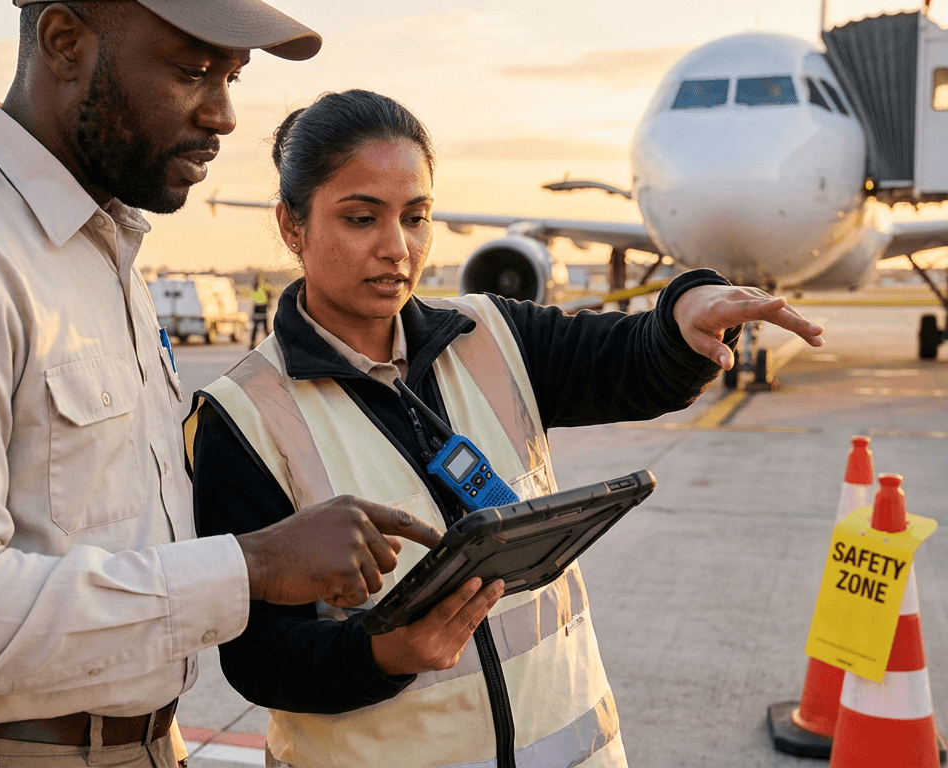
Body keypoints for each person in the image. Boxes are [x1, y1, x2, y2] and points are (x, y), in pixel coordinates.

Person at [0, 7, 445, 768]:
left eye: (232, 76)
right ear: (66, 44)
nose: (224, 114)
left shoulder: (100, 253)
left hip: (138, 744)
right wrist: (251, 565)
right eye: (191, 69)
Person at [185, 90, 826, 768]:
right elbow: (259, 658)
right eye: (360, 217)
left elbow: (630, 361)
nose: (396, 248)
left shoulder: (491, 333)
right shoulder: (242, 415)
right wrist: (381, 655)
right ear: (292, 225)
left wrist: (685, 312)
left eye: (416, 216)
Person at [249, 274, 271, 347]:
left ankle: (253, 343)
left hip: (259, 308)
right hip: (261, 308)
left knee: (258, 328)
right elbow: (269, 295)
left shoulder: (257, 287)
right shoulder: (263, 287)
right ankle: (270, 343)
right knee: (264, 328)